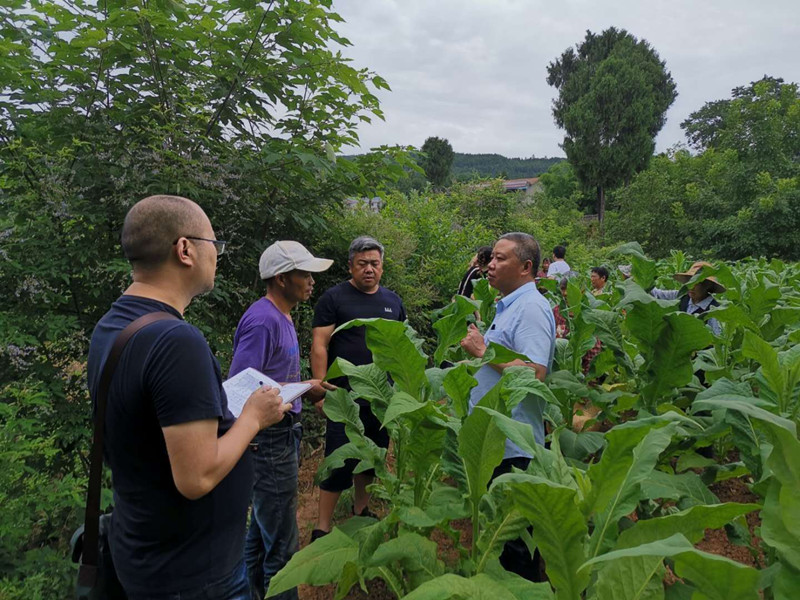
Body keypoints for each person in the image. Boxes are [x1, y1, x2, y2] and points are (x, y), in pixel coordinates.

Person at [87, 195, 291, 600]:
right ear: (185, 249)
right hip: (194, 575)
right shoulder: (176, 342)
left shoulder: (112, 325)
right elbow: (196, 477)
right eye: (214, 244)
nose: (217, 254)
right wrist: (253, 416)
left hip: (146, 552)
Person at [229, 241, 335, 600]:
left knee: (261, 537)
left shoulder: (283, 315)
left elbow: (272, 379)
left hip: (281, 436)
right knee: (283, 548)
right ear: (281, 278)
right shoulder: (263, 321)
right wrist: (304, 388)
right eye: (305, 274)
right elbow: (242, 388)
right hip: (268, 441)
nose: (312, 281)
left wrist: (305, 388)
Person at [459, 232, 556, 582]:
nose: (490, 265)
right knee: (502, 541)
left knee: (515, 547)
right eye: (491, 258)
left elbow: (534, 373)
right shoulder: (511, 305)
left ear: (526, 267)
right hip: (498, 442)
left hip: (514, 447)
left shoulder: (530, 309)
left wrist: (484, 351)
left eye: (501, 259)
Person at [310, 236, 406, 541]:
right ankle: (322, 527)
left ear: (382, 267)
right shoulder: (334, 298)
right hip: (344, 396)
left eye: (374, 264)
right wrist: (320, 390)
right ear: (351, 265)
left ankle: (361, 509)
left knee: (372, 457)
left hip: (380, 398)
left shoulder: (393, 302)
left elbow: (401, 347)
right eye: (362, 263)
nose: (369, 269)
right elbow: (320, 344)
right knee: (338, 460)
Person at [650, 261, 724, 335]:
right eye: (690, 281)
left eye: (696, 283)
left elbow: (717, 338)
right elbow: (656, 293)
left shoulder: (714, 311)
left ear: (707, 285)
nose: (691, 287)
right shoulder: (680, 296)